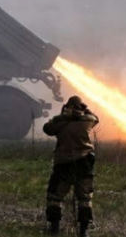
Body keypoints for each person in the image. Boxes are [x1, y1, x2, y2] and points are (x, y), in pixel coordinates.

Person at [43, 95, 99, 236]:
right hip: (84, 164)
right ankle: (83, 231)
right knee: (85, 198)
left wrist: (63, 115)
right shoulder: (87, 120)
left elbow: (47, 128)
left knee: (55, 196)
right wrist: (85, 109)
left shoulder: (60, 122)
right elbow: (96, 118)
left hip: (63, 165)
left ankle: (55, 228)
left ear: (67, 107)